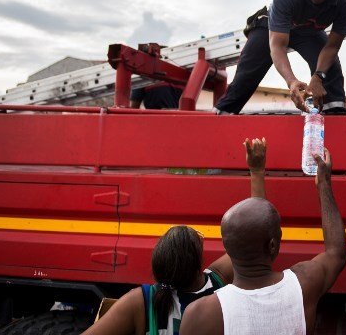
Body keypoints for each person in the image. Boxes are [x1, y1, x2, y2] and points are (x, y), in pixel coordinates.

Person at [82, 138, 268, 335]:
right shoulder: (217, 282)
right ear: (197, 263)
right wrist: (257, 172)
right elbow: (255, 229)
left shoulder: (141, 302)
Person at [178, 147, 346, 334]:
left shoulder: (201, 314)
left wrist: (257, 172)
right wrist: (324, 183)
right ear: (272, 245)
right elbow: (336, 253)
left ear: (227, 247)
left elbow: (255, 221)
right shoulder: (303, 283)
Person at [214, 0, 346, 114]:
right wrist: (291, 82)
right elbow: (277, 46)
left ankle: (335, 115)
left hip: (309, 32)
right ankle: (222, 115)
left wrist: (318, 76)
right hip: (271, 28)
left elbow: (332, 46)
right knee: (246, 75)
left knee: (330, 69)